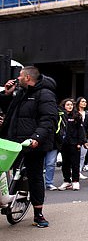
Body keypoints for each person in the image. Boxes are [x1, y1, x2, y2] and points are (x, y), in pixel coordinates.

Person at [0, 66, 58, 228]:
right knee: (2, 169)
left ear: (27, 78)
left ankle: (38, 214)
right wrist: (7, 94)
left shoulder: (45, 94)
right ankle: (5, 197)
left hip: (33, 144)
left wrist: (36, 138)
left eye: (20, 76)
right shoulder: (21, 92)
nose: (17, 79)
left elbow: (48, 119)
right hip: (13, 142)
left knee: (35, 176)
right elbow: (9, 113)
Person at [57, 98, 87, 191]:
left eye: (71, 105)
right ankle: (67, 181)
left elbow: (81, 130)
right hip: (64, 144)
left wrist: (80, 142)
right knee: (65, 164)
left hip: (74, 144)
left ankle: (75, 181)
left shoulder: (77, 116)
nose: (70, 106)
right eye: (67, 105)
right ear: (64, 106)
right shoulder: (60, 116)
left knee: (75, 163)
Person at [75, 96, 88, 179]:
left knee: (82, 155)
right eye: (82, 101)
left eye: (85, 102)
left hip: (85, 136)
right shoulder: (74, 113)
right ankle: (73, 171)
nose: (84, 103)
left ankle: (79, 171)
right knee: (74, 155)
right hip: (75, 136)